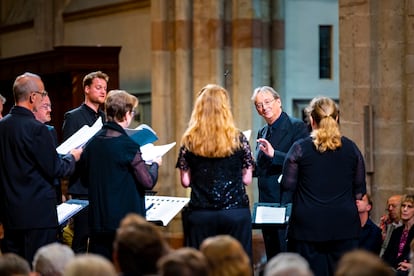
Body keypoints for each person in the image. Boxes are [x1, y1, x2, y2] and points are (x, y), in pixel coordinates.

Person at [0, 72, 82, 264]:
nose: (44, 97)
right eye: (43, 93)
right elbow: (56, 169)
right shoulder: (38, 129)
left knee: (16, 269)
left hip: (10, 216)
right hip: (37, 218)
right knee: (38, 266)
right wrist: (73, 157)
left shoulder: (2, 127)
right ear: (32, 97)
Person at [281, 96, 366, 276]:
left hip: (307, 226)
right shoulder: (352, 148)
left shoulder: (299, 148)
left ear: (311, 120)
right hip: (344, 225)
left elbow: (288, 187)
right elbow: (359, 191)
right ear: (336, 119)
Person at [78, 90, 161, 260]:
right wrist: (154, 164)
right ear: (126, 114)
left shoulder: (92, 145)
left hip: (98, 224)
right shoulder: (128, 145)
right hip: (124, 226)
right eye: (132, 112)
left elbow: (85, 180)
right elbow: (147, 182)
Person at [176, 84, 254, 259]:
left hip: (201, 213)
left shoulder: (189, 139)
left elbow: (186, 182)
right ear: (225, 108)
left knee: (201, 266)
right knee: (236, 265)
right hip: (234, 212)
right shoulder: (238, 138)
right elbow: (247, 178)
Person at [251, 86, 308, 259]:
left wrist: (274, 154)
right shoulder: (263, 131)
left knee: (286, 256)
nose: (264, 107)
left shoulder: (297, 127)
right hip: (266, 203)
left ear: (278, 102)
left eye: (267, 102)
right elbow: (261, 167)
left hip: (285, 201)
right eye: (259, 105)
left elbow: (302, 162)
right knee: (272, 255)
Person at [62, 70, 109, 253]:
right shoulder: (73, 117)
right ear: (87, 89)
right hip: (82, 187)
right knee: (81, 239)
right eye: (98, 87)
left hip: (101, 188)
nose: (103, 92)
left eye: (105, 88)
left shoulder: (105, 118)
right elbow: (67, 152)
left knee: (100, 239)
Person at [33, 95, 65, 204]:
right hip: (37, 195)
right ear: (34, 108)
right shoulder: (27, 131)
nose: (50, 110)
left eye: (50, 106)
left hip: (54, 191)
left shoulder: (50, 130)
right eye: (45, 106)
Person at [382, 194, 414, 274]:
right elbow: (386, 256)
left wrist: (412, 266)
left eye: (409, 207)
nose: (405, 209)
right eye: (403, 206)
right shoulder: (397, 231)